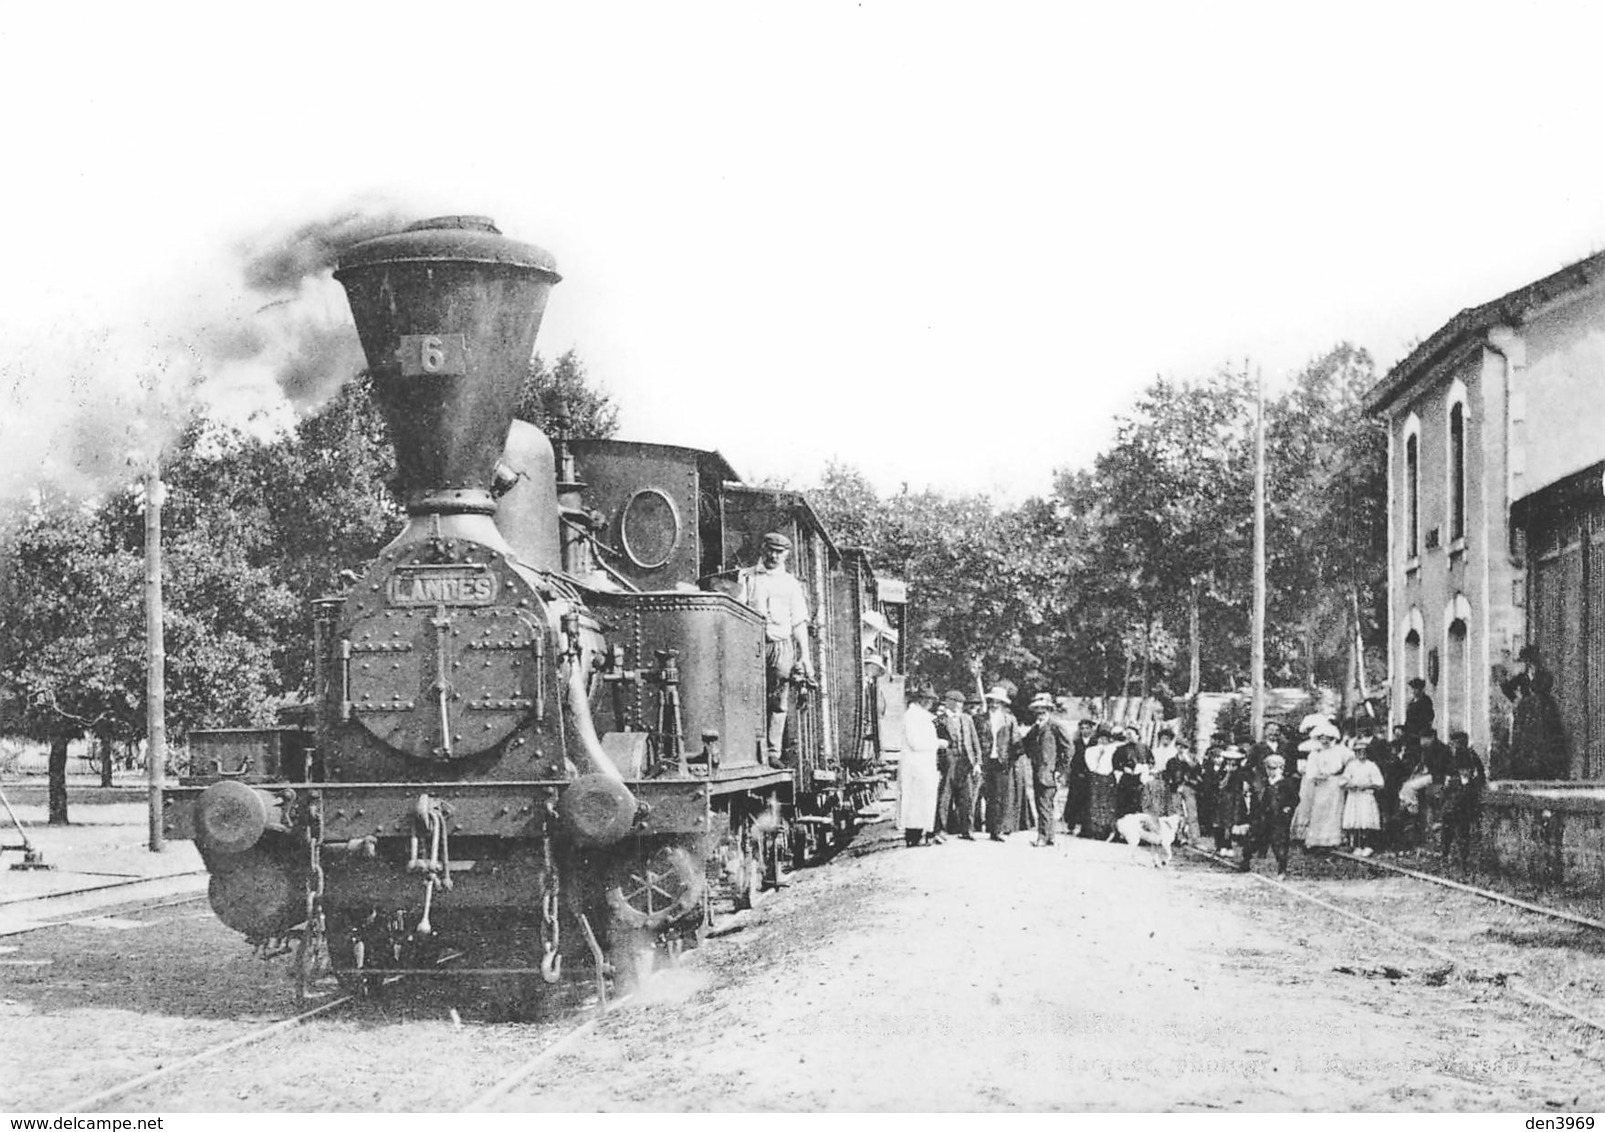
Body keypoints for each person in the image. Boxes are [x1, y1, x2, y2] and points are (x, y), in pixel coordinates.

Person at [736, 533, 815, 766]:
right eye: (770, 549)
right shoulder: (747, 577)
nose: (773, 555)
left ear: (786, 555)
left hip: (781, 644)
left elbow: (798, 621)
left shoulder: (791, 584)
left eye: (779, 552)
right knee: (747, 694)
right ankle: (747, 749)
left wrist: (805, 657)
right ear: (763, 548)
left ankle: (772, 752)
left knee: (779, 700)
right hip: (753, 642)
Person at [1503, 646, 1568, 780]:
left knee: (1546, 737)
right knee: (1525, 740)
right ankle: (1526, 770)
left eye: (1530, 661)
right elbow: (1508, 688)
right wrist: (1516, 700)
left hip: (1543, 710)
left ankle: (1547, 770)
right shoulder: (1522, 676)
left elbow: (1545, 687)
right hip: (1527, 712)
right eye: (1527, 661)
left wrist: (1533, 691)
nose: (1529, 663)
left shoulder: (1544, 674)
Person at [1022, 693, 1072, 846]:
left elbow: (1068, 750)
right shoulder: (1036, 728)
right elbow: (1024, 744)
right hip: (1038, 772)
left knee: (1044, 804)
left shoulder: (1056, 726)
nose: (1040, 713)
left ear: (1049, 710)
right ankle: (1049, 836)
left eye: (1043, 710)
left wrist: (1060, 770)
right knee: (1043, 805)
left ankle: (1042, 837)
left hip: (1050, 774)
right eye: (1037, 711)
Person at [1238, 753, 1301, 876]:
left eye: (1273, 768)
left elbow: (1295, 799)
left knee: (1279, 844)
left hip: (1279, 819)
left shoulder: (1287, 783)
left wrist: (1287, 809)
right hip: (1263, 817)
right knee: (1252, 839)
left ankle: (1282, 870)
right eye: (1268, 768)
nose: (1270, 771)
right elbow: (1259, 800)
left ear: (1281, 769)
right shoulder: (1265, 783)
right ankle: (1245, 862)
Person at [1291, 722, 1349, 852]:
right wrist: (1317, 775)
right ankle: (1317, 839)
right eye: (1322, 737)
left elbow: (1350, 761)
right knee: (1319, 811)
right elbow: (1310, 770)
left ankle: (1332, 840)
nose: (1325, 740)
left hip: (1335, 784)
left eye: (1328, 737)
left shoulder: (1340, 750)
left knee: (1334, 811)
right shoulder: (1315, 753)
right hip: (1321, 785)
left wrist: (1343, 775)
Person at [897, 686, 941, 847]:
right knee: (916, 802)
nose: (930, 703)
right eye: (928, 700)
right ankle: (914, 836)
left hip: (923, 765)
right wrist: (938, 744)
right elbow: (915, 742)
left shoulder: (921, 716)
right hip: (916, 766)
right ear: (921, 700)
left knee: (922, 801)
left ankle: (921, 833)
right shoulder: (912, 717)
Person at [978, 685, 1023, 841]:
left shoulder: (1009, 720)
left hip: (1001, 762)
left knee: (999, 796)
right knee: (986, 794)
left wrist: (1011, 760)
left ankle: (996, 830)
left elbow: (1016, 742)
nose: (994, 704)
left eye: (998, 702)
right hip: (984, 761)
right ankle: (980, 826)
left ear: (1003, 704)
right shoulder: (980, 718)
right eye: (992, 701)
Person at [936, 690, 982, 840]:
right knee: (944, 797)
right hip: (948, 762)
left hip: (965, 762)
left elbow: (975, 742)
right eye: (954, 702)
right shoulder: (939, 720)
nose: (957, 705)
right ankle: (940, 830)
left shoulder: (967, 719)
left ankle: (967, 830)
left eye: (960, 703)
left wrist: (977, 763)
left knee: (967, 797)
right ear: (947, 702)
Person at [1440, 730, 1488, 866]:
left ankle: (1459, 858)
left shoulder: (1467, 755)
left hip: (1462, 804)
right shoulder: (1456, 757)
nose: (1454, 745)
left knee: (1459, 830)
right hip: (1455, 802)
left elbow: (1474, 777)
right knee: (1452, 829)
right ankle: (1450, 855)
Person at [1340, 741, 1384, 855]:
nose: (1361, 754)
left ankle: (1368, 845)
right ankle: (1358, 846)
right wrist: (1349, 785)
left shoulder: (1371, 765)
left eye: (1364, 752)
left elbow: (1379, 783)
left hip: (1366, 795)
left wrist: (1367, 785)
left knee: (1366, 820)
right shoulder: (1351, 765)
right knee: (1356, 820)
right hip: (1354, 795)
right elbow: (1343, 780)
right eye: (1358, 752)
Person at [1063, 718, 1095, 836]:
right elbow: (1073, 759)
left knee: (1087, 801)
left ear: (1091, 729)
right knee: (1074, 800)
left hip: (1090, 776)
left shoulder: (1095, 742)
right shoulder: (1076, 743)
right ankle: (1071, 825)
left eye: (1087, 728)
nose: (1084, 731)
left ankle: (1084, 827)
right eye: (1082, 728)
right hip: (1077, 775)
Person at [1403, 677, 1435, 743]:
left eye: (1416, 688)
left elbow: (1428, 718)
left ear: (1421, 689)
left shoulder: (1425, 701)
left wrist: (1421, 733)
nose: (1413, 691)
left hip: (1421, 733)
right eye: (1412, 688)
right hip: (1410, 732)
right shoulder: (1411, 702)